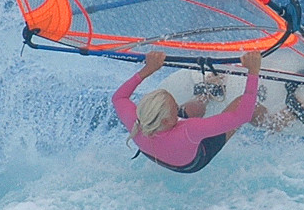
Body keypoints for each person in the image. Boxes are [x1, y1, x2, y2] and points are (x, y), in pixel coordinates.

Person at [112, 50, 264, 174]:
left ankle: (205, 94)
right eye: (174, 109)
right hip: (193, 162)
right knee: (244, 104)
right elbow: (242, 115)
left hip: (157, 150)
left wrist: (147, 70)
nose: (178, 108)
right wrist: (253, 71)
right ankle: (280, 119)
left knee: (193, 109)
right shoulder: (190, 130)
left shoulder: (136, 120)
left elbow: (118, 98)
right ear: (166, 121)